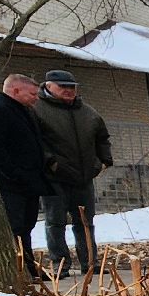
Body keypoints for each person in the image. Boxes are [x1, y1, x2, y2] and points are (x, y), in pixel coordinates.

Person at [31, 69, 113, 277]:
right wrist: (51, 164)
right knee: (55, 221)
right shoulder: (36, 110)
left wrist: (103, 161)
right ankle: (60, 265)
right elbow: (34, 142)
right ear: (48, 86)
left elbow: (102, 138)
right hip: (54, 177)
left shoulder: (88, 112)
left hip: (84, 176)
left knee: (85, 221)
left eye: (72, 87)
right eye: (63, 87)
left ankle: (91, 262)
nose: (68, 91)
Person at [0, 73, 52, 278]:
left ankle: (27, 265)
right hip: (10, 184)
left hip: (28, 182)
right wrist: (13, 175)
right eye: (32, 94)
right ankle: (17, 268)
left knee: (26, 227)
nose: (36, 98)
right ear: (15, 90)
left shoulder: (24, 112)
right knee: (15, 226)